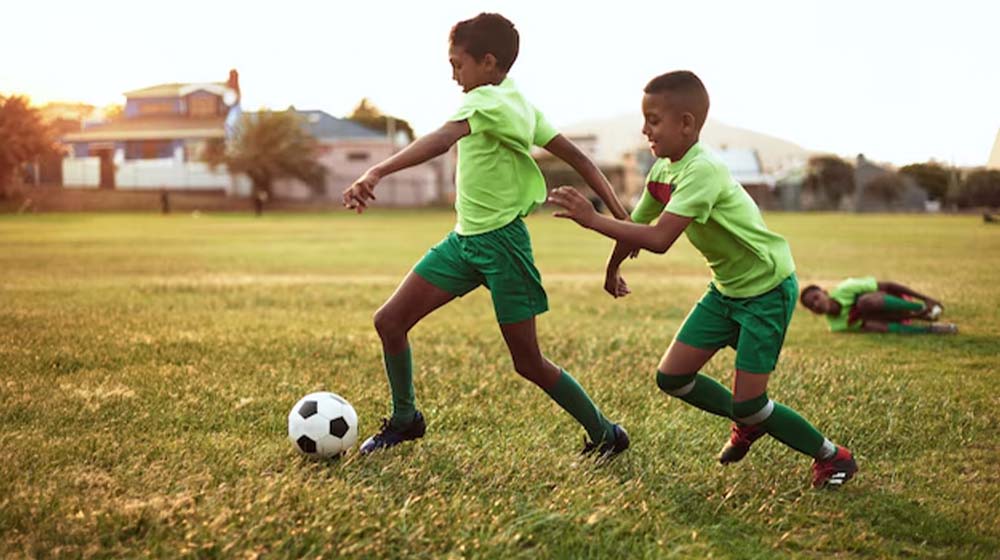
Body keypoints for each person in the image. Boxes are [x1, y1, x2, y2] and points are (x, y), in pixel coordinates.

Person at [547, 70, 857, 488]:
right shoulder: (662, 171)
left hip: (766, 289)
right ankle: (747, 422)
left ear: (687, 123)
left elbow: (658, 239)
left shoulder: (702, 171)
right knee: (672, 377)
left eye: (653, 120)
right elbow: (637, 224)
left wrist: (591, 219)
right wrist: (612, 267)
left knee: (751, 403)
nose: (645, 130)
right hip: (726, 290)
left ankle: (832, 456)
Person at [343, 13, 632, 458]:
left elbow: (440, 140)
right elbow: (582, 160)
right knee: (390, 321)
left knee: (529, 363)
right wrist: (621, 217)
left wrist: (377, 169)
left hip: (503, 247)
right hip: (464, 243)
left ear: (488, 63)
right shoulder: (517, 101)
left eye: (458, 63)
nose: (453, 73)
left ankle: (606, 434)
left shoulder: (486, 101)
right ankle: (406, 420)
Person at [800, 278, 957, 334]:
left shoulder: (846, 288)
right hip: (894, 318)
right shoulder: (837, 326)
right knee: (870, 325)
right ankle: (930, 327)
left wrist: (925, 299)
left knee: (864, 302)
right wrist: (919, 324)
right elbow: (876, 324)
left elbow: (888, 285)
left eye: (816, 298)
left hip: (896, 299)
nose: (816, 304)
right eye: (811, 306)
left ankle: (922, 308)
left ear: (825, 292)